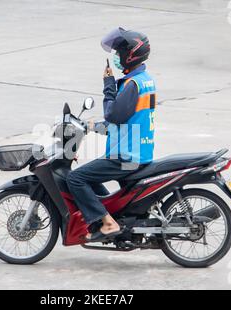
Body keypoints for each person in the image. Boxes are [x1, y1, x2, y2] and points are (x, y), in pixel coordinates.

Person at [66, 27, 157, 242]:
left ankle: (107, 222)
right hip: (138, 152)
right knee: (91, 178)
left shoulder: (132, 84)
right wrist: (91, 127)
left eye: (119, 53)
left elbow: (113, 115)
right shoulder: (144, 80)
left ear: (130, 54)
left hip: (126, 158)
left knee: (76, 178)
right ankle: (108, 215)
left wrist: (108, 85)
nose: (116, 57)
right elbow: (125, 120)